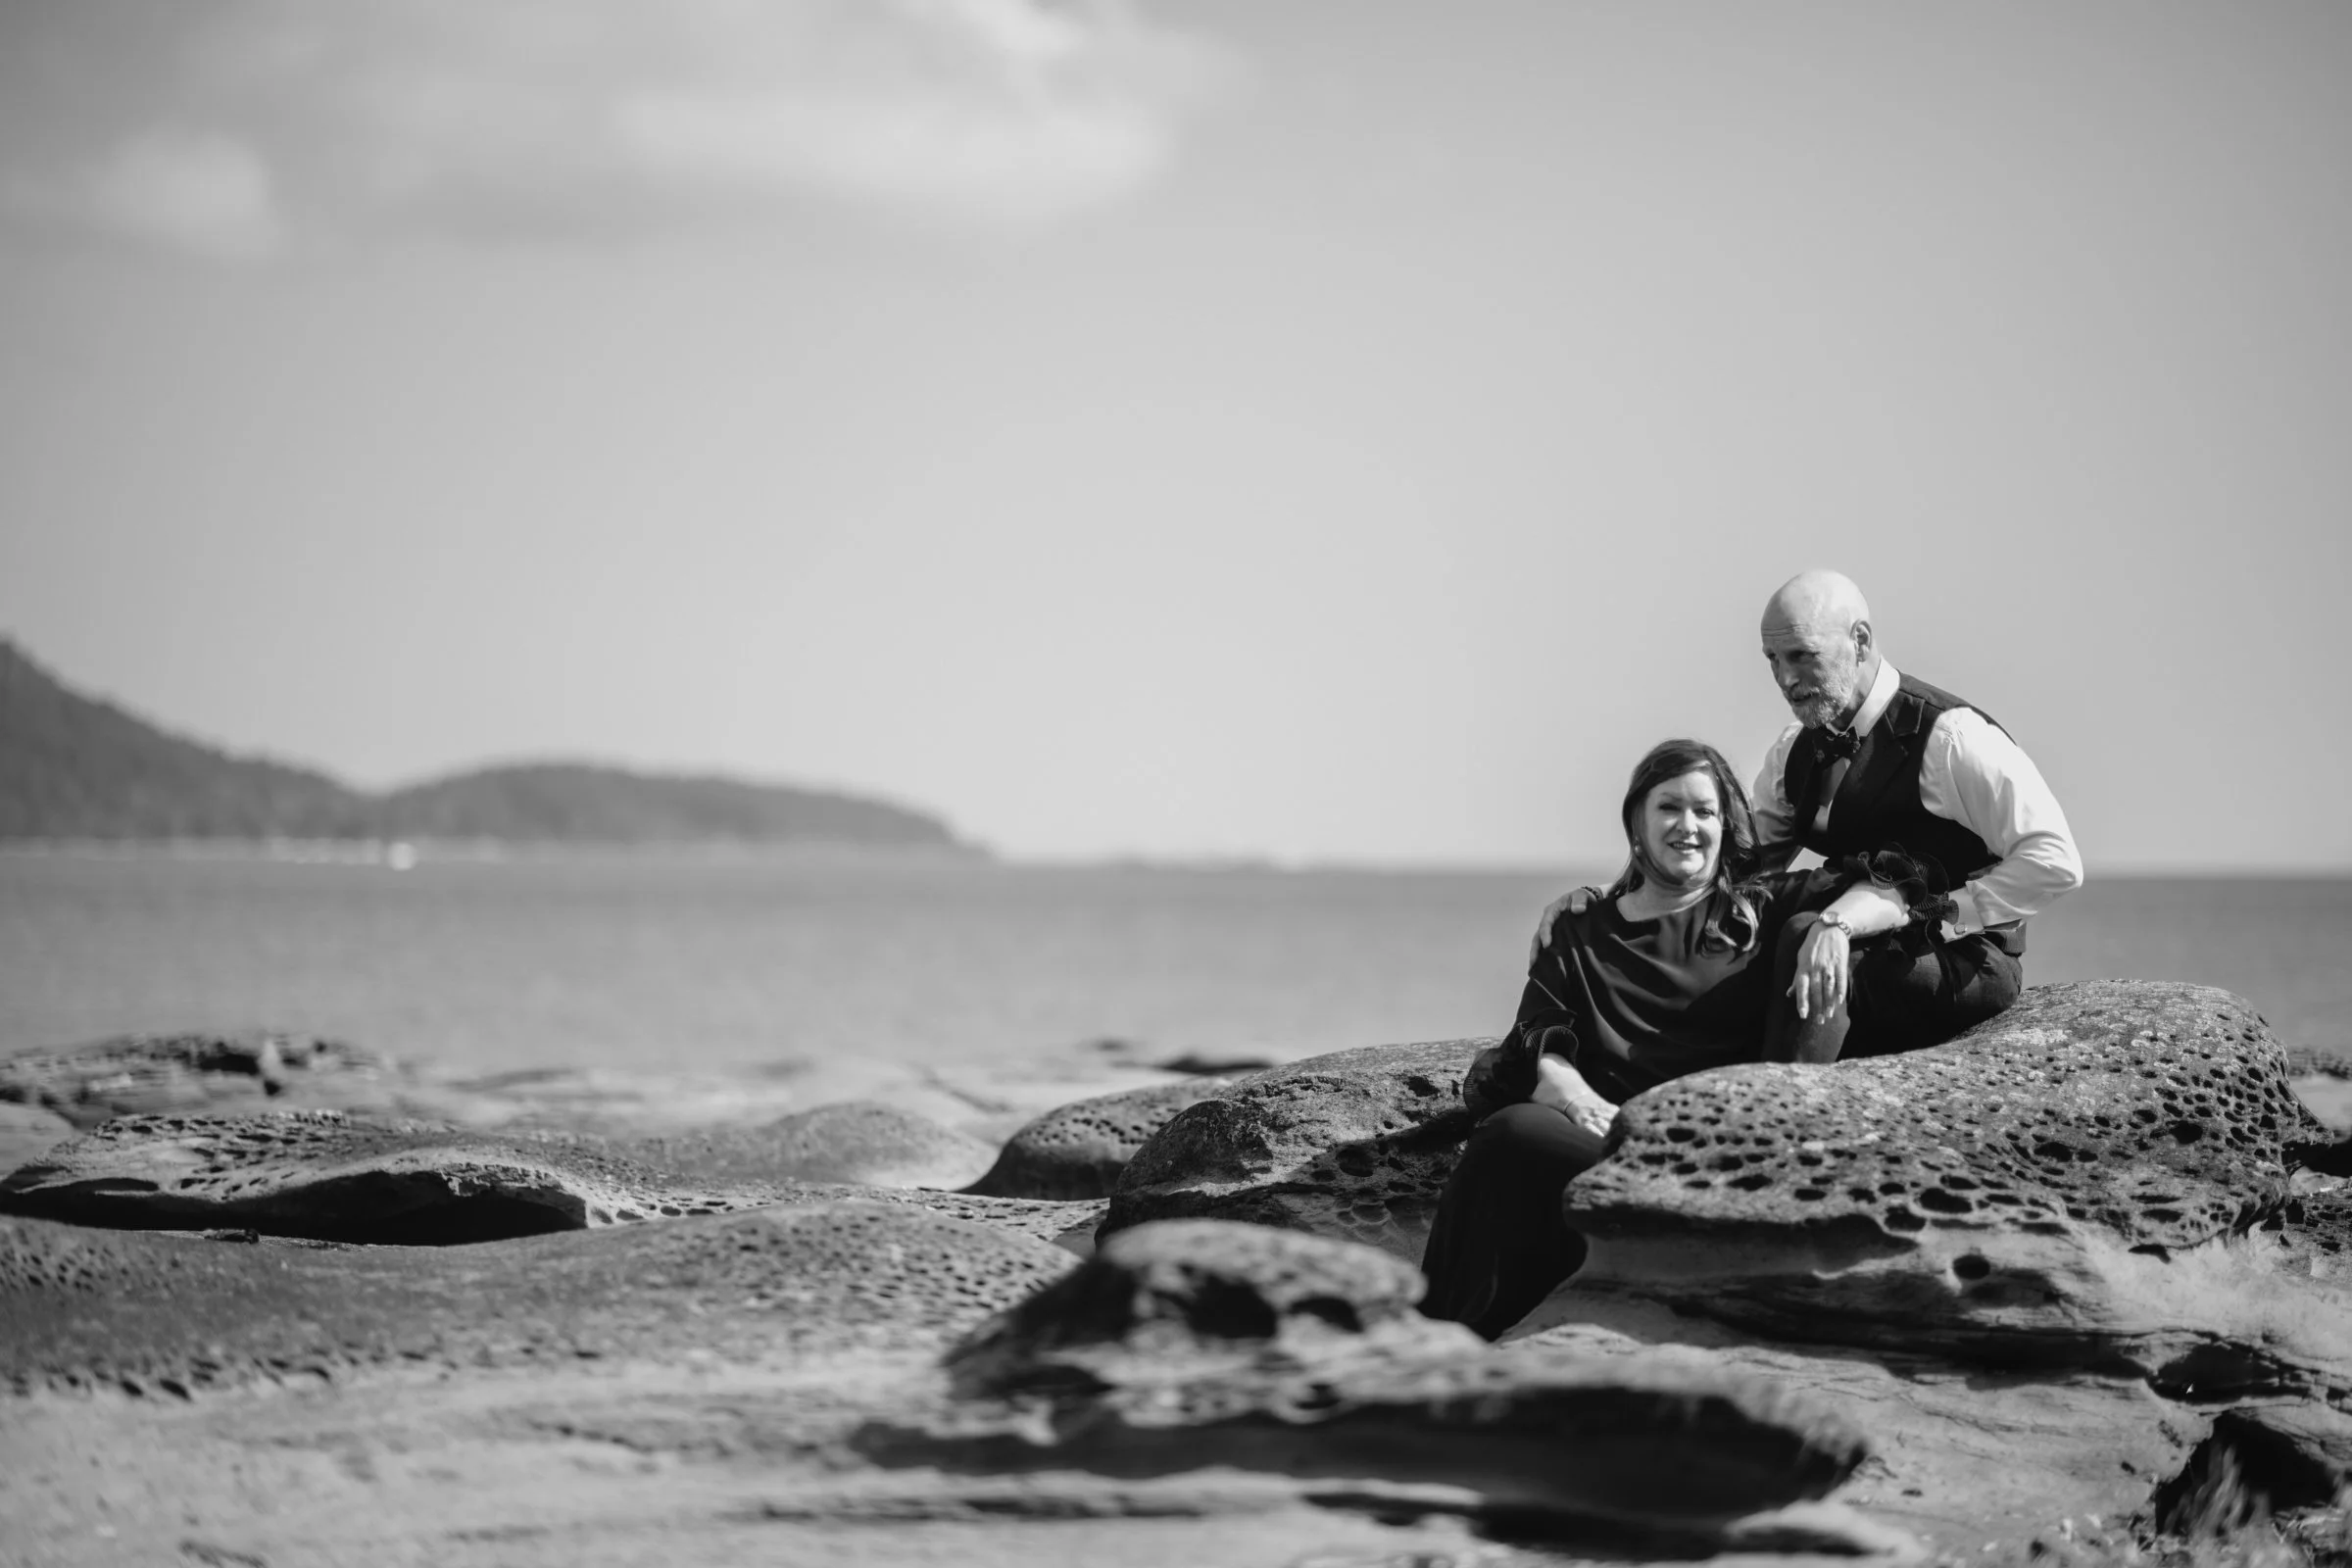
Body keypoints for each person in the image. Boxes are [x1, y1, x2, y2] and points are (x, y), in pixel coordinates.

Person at [1534, 568, 2083, 1062]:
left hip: (1965, 958)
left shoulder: (1951, 738)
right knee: (1739, 931)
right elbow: (1734, 865)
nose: (1786, 678)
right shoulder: (1794, 750)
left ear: (1860, 641)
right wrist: (1605, 901)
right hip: (1844, 929)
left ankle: (1777, 1118)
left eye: (1801, 655)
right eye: (1773, 660)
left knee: (1798, 934)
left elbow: (2055, 860)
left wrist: (1946, 910)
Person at [1420, 738, 1841, 1340]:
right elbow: (1543, 1037)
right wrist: (1577, 1100)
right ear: (1637, 822)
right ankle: (1439, 1342)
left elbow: (1899, 879)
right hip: (1605, 1142)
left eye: (1705, 810)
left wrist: (1839, 926)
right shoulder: (1579, 928)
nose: (1688, 826)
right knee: (1511, 1134)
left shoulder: (1768, 910)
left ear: (1727, 825)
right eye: (1669, 807)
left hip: (1718, 1156)